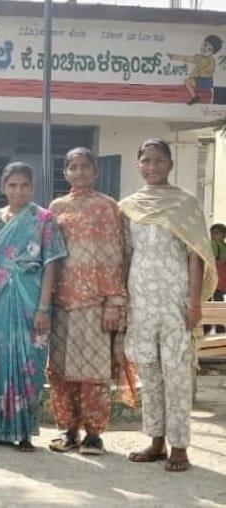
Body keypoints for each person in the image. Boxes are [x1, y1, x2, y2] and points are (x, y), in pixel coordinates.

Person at [122, 139, 217, 473]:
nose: (152, 167)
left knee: (176, 373)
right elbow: (127, 255)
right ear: (138, 165)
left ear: (170, 165)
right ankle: (156, 441)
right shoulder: (129, 206)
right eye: (146, 161)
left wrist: (194, 303)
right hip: (141, 301)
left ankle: (179, 446)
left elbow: (196, 256)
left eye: (159, 161)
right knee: (149, 373)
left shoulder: (185, 203)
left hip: (176, 300)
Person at [46, 148, 136, 456]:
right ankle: (68, 430)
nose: (80, 172)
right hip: (62, 302)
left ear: (95, 171)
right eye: (73, 167)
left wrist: (115, 301)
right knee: (61, 371)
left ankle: (94, 434)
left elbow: (117, 255)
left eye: (85, 166)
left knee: (94, 372)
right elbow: (51, 255)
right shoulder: (56, 207)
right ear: (65, 173)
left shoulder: (108, 207)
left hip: (96, 302)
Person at [0, 162, 66, 452]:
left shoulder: (44, 218)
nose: (18, 191)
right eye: (12, 185)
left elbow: (51, 264)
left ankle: (25, 432)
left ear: (32, 187)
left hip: (32, 294)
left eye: (24, 185)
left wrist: (43, 308)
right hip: (1, 295)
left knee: (30, 360)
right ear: (3, 187)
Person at [168, 35, 223, 105]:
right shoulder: (201, 57)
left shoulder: (206, 60)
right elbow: (189, 58)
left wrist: (190, 77)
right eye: (205, 45)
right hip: (202, 78)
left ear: (213, 52)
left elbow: (196, 70)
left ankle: (194, 97)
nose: (205, 49)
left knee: (187, 81)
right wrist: (176, 57)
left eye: (209, 49)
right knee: (189, 80)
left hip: (206, 81)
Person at [211, 223, 226, 302]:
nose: (213, 236)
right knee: (217, 291)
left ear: (224, 235)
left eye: (216, 233)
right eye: (212, 233)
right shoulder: (214, 244)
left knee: (217, 291)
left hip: (221, 273)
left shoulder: (220, 245)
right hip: (218, 272)